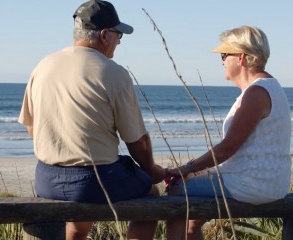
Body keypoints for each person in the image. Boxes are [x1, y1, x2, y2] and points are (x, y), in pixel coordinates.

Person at [18, 0, 167, 239]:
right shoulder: (112, 72)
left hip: (46, 179)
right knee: (149, 193)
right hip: (94, 180)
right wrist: (151, 171)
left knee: (84, 206)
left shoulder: (43, 65)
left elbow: (31, 127)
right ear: (105, 35)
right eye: (118, 36)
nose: (119, 42)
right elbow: (136, 140)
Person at [166, 25, 292, 240]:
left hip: (253, 183)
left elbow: (228, 149)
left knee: (176, 191)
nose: (222, 61)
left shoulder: (257, 92)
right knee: (193, 220)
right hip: (266, 181)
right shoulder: (268, 87)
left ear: (241, 57)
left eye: (225, 55)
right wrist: (197, 172)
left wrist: (185, 169)